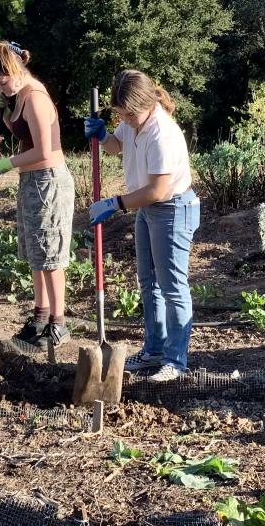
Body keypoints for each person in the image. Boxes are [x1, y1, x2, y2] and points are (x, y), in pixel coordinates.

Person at [84, 69, 200, 382]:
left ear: (144, 105)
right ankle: (154, 350)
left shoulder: (162, 133)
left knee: (172, 287)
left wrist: (114, 203)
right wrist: (103, 136)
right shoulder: (134, 120)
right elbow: (116, 146)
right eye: (120, 114)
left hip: (172, 209)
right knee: (148, 282)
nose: (125, 119)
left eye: (128, 114)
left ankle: (175, 361)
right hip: (149, 211)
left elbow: (158, 190)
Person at [0, 41, 75, 349]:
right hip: (31, 181)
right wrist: (6, 114)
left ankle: (58, 323)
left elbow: (44, 150)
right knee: (35, 252)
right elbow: (24, 135)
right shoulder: (19, 95)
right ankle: (40, 315)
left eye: (3, 81)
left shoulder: (36, 97)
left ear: (16, 70)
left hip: (48, 181)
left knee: (50, 254)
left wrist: (6, 163)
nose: (2, 88)